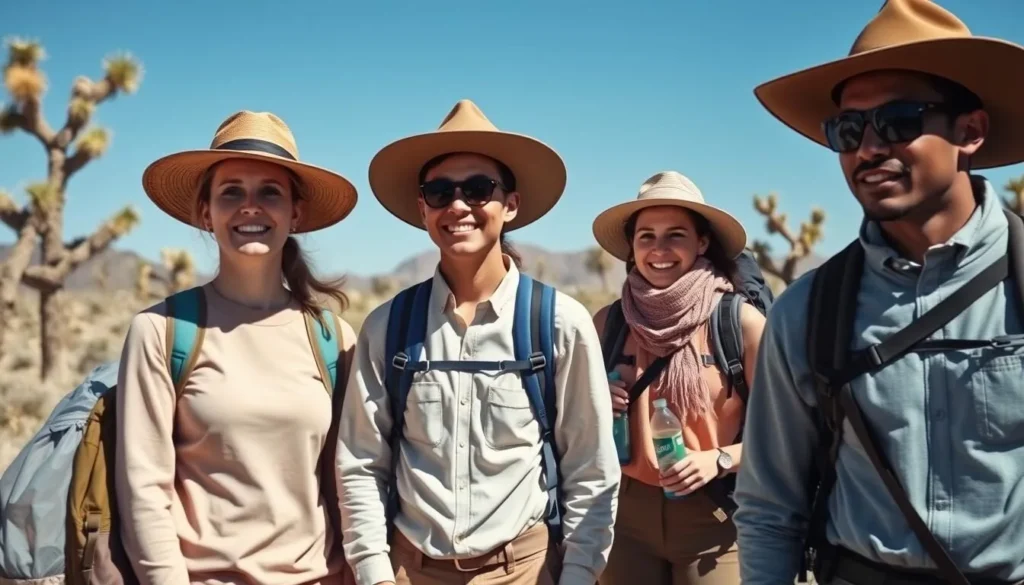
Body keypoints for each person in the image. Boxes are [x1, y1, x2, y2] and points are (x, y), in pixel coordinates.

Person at [733, 1, 1024, 584]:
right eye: (848, 130)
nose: (867, 149)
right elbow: (769, 510)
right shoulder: (807, 314)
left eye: (898, 122)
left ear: (969, 132)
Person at [336, 99, 620, 585]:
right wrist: (374, 573)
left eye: (478, 189)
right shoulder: (388, 327)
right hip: (409, 570)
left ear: (510, 204)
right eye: (440, 192)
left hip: (524, 571)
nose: (458, 205)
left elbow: (591, 470)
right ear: (423, 208)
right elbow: (361, 463)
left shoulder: (559, 324)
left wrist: (577, 574)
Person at [116, 110, 360, 585]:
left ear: (296, 213)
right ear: (206, 213)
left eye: (270, 191)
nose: (251, 206)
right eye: (232, 192)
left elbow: (351, 483)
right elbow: (144, 489)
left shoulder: (331, 338)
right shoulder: (163, 331)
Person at [591, 171, 766, 585]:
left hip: (713, 516)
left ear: (701, 242)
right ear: (632, 247)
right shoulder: (609, 323)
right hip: (625, 516)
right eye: (646, 236)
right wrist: (597, 402)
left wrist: (719, 459)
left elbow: (787, 433)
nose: (659, 250)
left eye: (675, 235)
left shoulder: (738, 322)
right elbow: (570, 421)